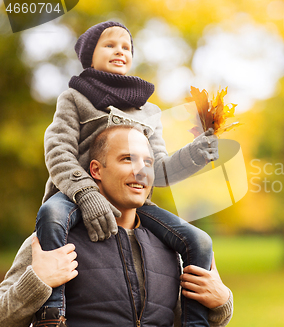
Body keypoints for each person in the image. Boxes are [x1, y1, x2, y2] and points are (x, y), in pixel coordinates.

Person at [35, 21, 219, 326]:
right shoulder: (75, 98)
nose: (120, 51)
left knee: (199, 241)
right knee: (50, 216)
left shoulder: (149, 112)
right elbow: (58, 152)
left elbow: (158, 171)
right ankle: (52, 312)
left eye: (126, 47)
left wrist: (195, 154)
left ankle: (195, 321)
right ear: (89, 56)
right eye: (109, 45)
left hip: (132, 200)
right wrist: (86, 194)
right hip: (75, 194)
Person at [0, 125, 233, 327]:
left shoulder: (171, 248)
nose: (141, 170)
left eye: (148, 162)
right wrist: (36, 282)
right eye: (127, 158)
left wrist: (221, 303)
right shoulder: (54, 242)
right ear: (96, 170)